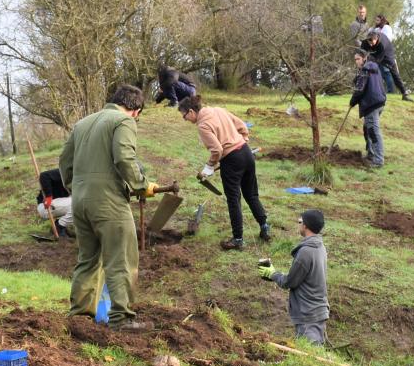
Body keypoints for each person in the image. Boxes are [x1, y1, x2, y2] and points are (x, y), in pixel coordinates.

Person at [60, 84, 158, 330]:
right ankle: (121, 318)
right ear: (135, 110)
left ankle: (80, 318)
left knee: (88, 259)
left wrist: (77, 187)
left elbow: (64, 161)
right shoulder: (123, 121)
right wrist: (141, 185)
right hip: (109, 201)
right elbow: (124, 157)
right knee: (121, 259)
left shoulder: (82, 123)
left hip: (80, 201)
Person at [178, 95, 270, 249]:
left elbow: (217, 150)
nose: (184, 119)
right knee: (251, 194)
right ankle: (265, 227)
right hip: (246, 154)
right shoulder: (218, 110)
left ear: (192, 111)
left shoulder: (202, 125)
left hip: (231, 160)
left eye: (184, 115)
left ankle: (238, 239)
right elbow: (241, 126)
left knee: (233, 199)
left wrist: (209, 166)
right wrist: (244, 140)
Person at [259, 209, 329, 345]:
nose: (298, 224)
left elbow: (289, 282)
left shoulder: (306, 252)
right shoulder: (320, 246)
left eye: (299, 222)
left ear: (305, 226)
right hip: (317, 311)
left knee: (310, 358)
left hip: (308, 314)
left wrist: (272, 274)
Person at [349, 50, 386, 167]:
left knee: (374, 132)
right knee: (367, 129)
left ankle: (378, 160)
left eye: (358, 59)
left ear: (364, 58)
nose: (356, 62)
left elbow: (359, 90)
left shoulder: (365, 70)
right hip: (380, 102)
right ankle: (371, 154)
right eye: (355, 59)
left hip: (371, 104)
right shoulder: (375, 68)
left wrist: (352, 102)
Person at [361, 31, 413, 102]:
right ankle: (363, 90)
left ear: (376, 39)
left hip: (387, 56)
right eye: (368, 42)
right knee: (365, 68)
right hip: (375, 53)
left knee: (395, 74)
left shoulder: (382, 44)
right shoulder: (367, 41)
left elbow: (377, 60)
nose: (370, 44)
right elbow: (362, 51)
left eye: (372, 42)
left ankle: (404, 93)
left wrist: (368, 60)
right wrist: (363, 58)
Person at [36, 168, 73, 237]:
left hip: (59, 203)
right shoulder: (67, 171)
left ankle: (61, 226)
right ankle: (59, 227)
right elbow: (44, 176)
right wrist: (48, 196)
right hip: (46, 206)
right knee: (79, 204)